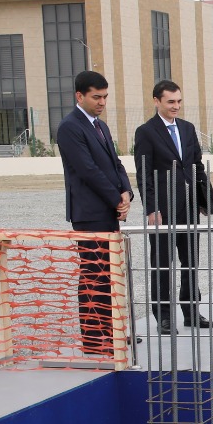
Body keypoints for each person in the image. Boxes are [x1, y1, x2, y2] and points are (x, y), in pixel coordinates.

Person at [58, 70, 132, 354]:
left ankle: (110, 333)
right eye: (96, 97)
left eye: (105, 97)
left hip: (109, 210)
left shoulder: (100, 126)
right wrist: (116, 200)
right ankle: (92, 340)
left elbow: (115, 164)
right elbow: (87, 170)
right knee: (94, 275)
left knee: (110, 275)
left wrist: (126, 193)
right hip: (89, 213)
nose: (102, 102)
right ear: (80, 96)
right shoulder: (70, 127)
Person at [133, 79, 213, 334]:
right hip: (163, 210)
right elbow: (144, 174)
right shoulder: (146, 132)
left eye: (179, 101)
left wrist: (205, 200)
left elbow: (197, 166)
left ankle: (191, 312)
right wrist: (151, 208)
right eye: (170, 102)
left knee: (190, 261)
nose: (176, 106)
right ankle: (164, 317)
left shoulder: (188, 129)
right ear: (156, 101)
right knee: (162, 265)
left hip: (188, 207)